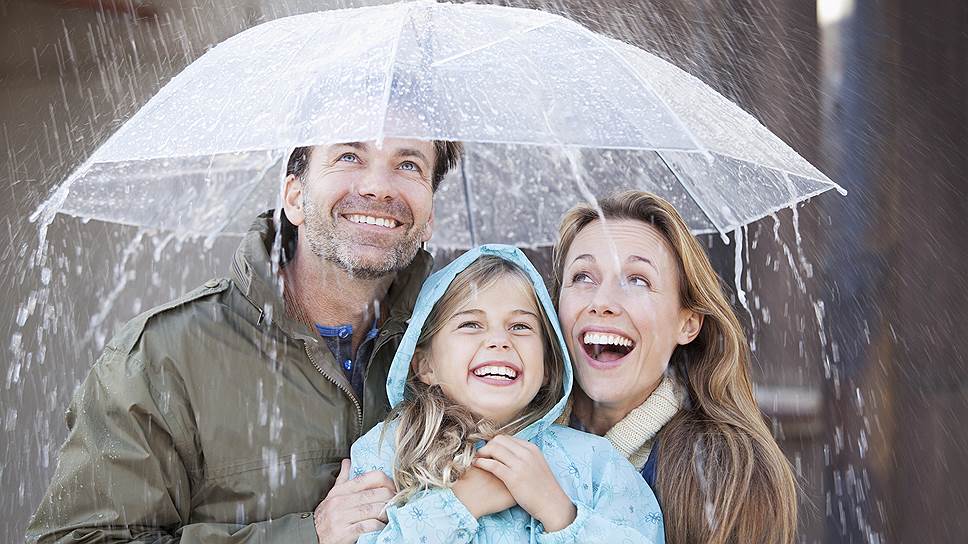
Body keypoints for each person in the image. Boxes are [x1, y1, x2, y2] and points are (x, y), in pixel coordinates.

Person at [26, 138, 462, 544]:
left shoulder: (466, 352)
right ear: (295, 197)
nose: (378, 187)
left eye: (409, 165)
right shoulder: (164, 355)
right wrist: (309, 536)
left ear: (429, 215)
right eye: (349, 156)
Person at [349, 245, 665, 543]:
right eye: (471, 324)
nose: (499, 341)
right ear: (425, 365)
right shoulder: (390, 451)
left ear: (548, 366)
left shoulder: (597, 463)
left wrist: (559, 513)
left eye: (520, 327)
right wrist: (461, 504)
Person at [552, 191, 798, 543]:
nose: (602, 301)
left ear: (687, 323)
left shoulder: (727, 473)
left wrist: (565, 521)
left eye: (638, 280)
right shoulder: (514, 440)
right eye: (582, 277)